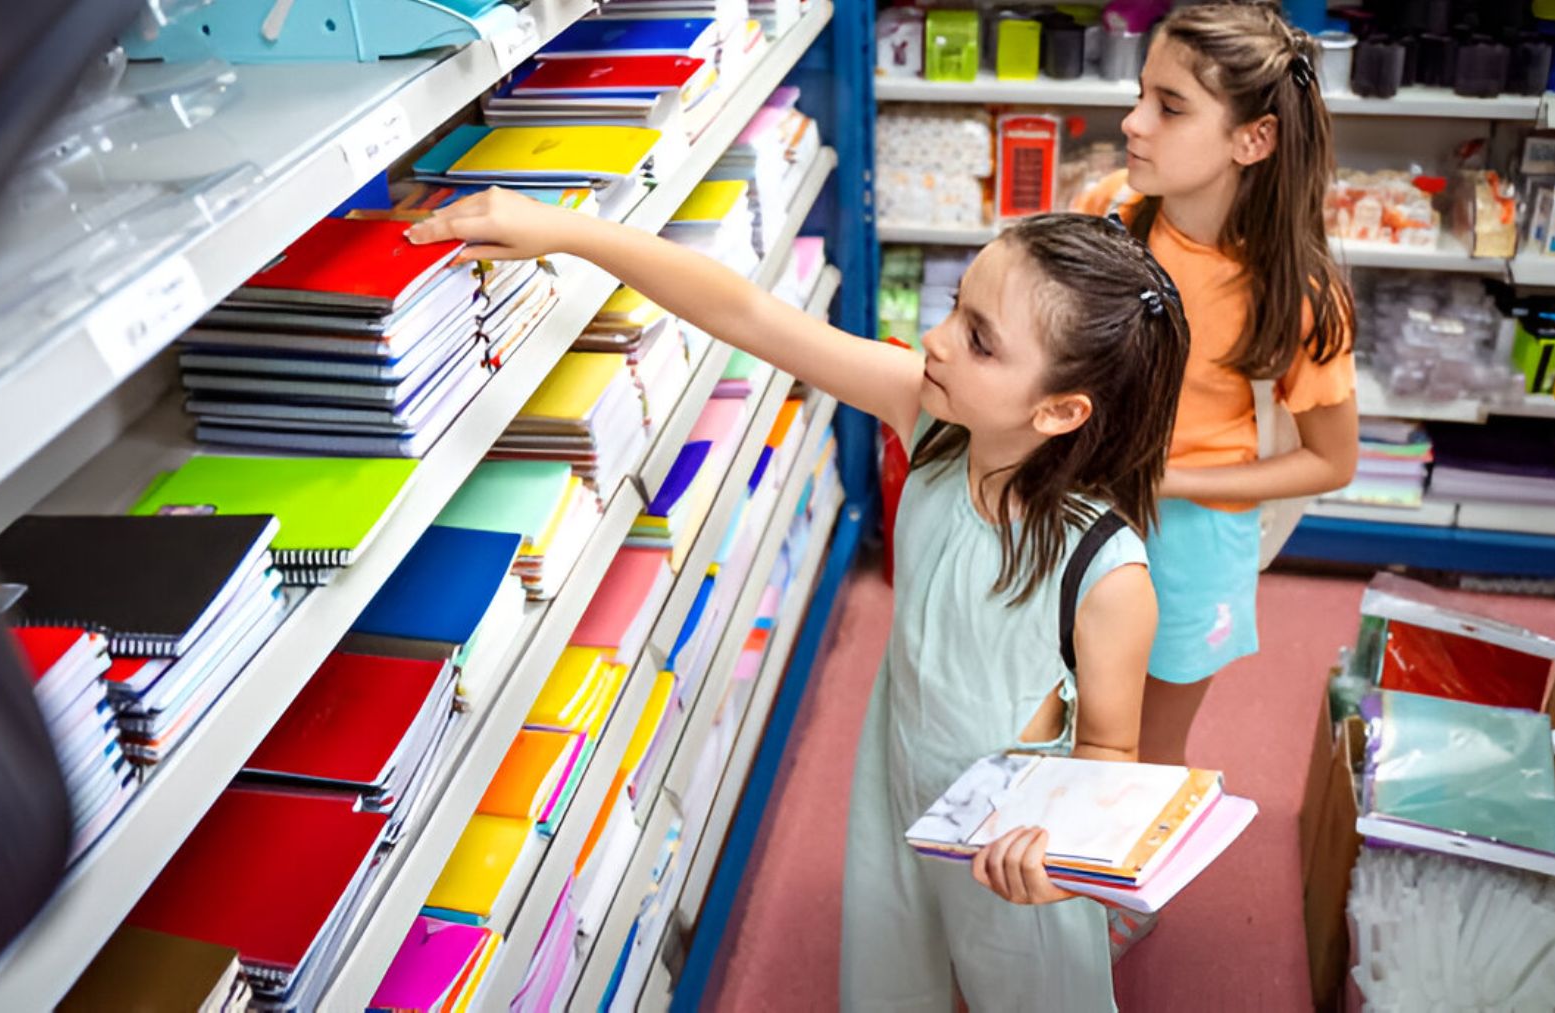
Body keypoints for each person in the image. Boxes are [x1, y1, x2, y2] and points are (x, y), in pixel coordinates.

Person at [407, 196, 1188, 1010]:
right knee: (892, 982)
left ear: (1060, 410)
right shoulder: (930, 420)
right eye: (958, 307)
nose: (936, 338)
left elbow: (1108, 753)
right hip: (899, 796)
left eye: (980, 340)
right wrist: (573, 232)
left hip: (1012, 844)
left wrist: (1057, 860)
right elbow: (747, 313)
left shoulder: (1106, 574)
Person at [1076, 0, 1359, 768]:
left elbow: (1332, 461)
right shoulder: (1108, 213)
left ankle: (1114, 888)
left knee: (1147, 745)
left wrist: (1168, 478)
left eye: (1169, 107)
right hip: (1084, 502)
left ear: (1253, 138)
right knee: (1069, 715)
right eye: (1141, 95)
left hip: (1194, 539)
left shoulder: (1296, 294)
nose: (1134, 122)